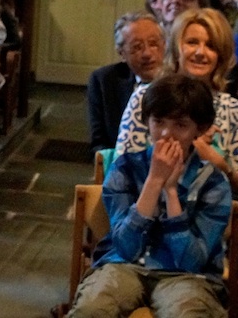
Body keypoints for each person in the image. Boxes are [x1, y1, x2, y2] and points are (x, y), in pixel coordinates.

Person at [68, 75, 229, 318]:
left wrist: (171, 191)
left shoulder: (213, 183)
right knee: (93, 308)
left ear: (200, 129)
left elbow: (191, 262)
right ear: (147, 121)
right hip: (123, 266)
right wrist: (154, 181)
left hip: (186, 277)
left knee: (188, 313)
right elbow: (126, 246)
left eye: (180, 125)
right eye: (158, 121)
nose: (166, 134)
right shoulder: (125, 168)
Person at [116, 8, 238, 191]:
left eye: (211, 46)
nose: (200, 52)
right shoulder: (145, 96)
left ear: (220, 56)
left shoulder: (232, 109)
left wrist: (221, 165)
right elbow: (121, 171)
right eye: (192, 42)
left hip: (214, 204)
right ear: (175, 47)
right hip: (146, 199)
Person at [86, 13, 164, 153]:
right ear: (121, 53)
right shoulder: (104, 80)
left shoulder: (181, 81)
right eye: (137, 47)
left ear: (164, 45)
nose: (147, 54)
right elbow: (99, 143)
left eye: (153, 44)